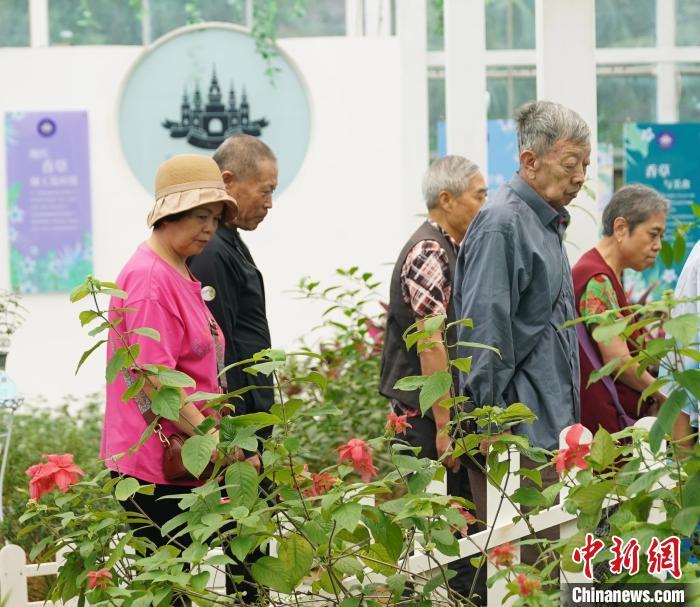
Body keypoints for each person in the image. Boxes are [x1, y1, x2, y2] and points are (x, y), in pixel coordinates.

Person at [100, 154, 258, 603]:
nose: (210, 228)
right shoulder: (151, 279)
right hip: (155, 465)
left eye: (215, 217)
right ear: (170, 214)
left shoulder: (176, 269)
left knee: (175, 587)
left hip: (181, 457)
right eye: (200, 215)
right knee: (167, 591)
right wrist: (219, 443)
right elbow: (158, 384)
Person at [454, 100, 590, 565]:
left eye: (585, 165)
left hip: (551, 432)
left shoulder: (544, 223)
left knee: (552, 574)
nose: (580, 177)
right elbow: (483, 335)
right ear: (530, 161)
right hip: (516, 441)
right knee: (521, 575)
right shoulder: (503, 223)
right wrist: (487, 426)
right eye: (570, 164)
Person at [379, 155, 488, 601]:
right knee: (439, 525)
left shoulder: (451, 247)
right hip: (425, 416)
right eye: (479, 195)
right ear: (447, 199)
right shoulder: (429, 250)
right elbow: (431, 341)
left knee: (453, 526)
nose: (486, 204)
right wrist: (445, 424)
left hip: (436, 412)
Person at [188, 135, 278, 461]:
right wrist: (236, 440)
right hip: (236, 445)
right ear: (228, 181)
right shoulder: (211, 251)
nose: (269, 203)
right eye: (265, 190)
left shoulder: (230, 241)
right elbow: (218, 356)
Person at [572, 184, 669, 434]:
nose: (658, 245)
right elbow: (619, 362)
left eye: (661, 237)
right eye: (652, 234)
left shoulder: (604, 274)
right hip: (605, 428)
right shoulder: (597, 279)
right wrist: (666, 397)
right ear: (621, 228)